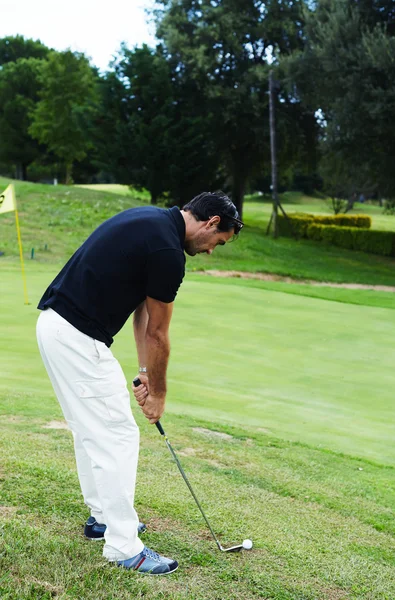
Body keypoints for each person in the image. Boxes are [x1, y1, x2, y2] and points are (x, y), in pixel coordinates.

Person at [36, 191, 243, 576]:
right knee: (117, 435)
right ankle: (124, 546)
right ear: (212, 223)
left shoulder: (151, 221)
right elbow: (159, 334)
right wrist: (159, 396)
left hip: (56, 327)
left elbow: (142, 316)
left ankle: (103, 519)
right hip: (77, 336)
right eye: (218, 241)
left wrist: (146, 374)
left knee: (92, 431)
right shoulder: (168, 252)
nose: (213, 250)